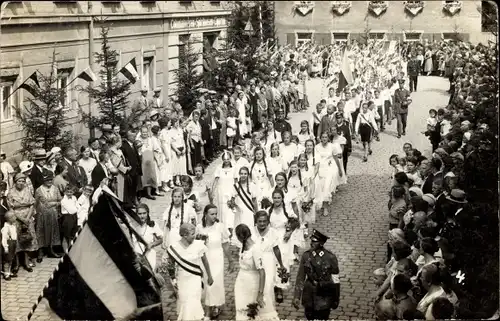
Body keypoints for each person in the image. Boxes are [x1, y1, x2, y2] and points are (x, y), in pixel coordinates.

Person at [162, 222, 213, 321]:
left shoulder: (198, 245)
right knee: (185, 302)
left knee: (194, 302)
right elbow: (170, 265)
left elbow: (205, 261)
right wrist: (173, 279)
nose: (195, 236)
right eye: (192, 234)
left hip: (195, 279)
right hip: (182, 280)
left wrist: (210, 276)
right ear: (184, 235)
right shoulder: (174, 247)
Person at [196, 204, 235, 318]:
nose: (214, 216)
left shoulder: (220, 227)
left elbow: (225, 244)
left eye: (216, 214)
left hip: (217, 257)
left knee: (215, 283)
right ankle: (209, 308)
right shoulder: (199, 227)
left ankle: (214, 306)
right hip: (204, 258)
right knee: (207, 282)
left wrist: (231, 260)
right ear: (205, 215)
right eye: (212, 214)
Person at [293, 229, 340, 320]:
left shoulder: (330, 257)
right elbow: (300, 277)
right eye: (311, 241)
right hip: (309, 294)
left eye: (314, 241)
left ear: (321, 243)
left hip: (324, 295)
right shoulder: (306, 256)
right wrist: (297, 296)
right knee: (309, 317)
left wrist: (336, 298)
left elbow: (336, 280)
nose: (311, 243)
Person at [233, 223, 266, 321]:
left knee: (251, 311)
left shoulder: (255, 250)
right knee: (240, 307)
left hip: (252, 283)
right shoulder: (242, 247)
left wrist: (260, 293)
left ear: (240, 237)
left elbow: (262, 272)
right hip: (241, 281)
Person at [7, 173, 38, 272]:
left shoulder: (27, 191)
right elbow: (11, 208)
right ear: (15, 182)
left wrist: (27, 218)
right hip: (16, 219)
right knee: (17, 242)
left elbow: (32, 205)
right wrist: (21, 218)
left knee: (27, 241)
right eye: (19, 181)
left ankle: (26, 263)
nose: (21, 183)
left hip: (28, 218)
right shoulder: (10, 193)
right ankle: (16, 264)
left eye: (23, 181)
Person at [34, 171, 62, 262]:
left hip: (53, 214)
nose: (49, 181)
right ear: (43, 180)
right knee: (41, 231)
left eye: (51, 179)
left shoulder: (55, 189)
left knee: (52, 231)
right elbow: (35, 203)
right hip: (42, 215)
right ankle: (41, 251)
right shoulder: (39, 190)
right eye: (47, 180)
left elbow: (61, 200)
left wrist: (55, 203)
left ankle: (51, 250)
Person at [133, 203, 163, 270]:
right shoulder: (133, 226)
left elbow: (161, 239)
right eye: (140, 214)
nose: (142, 216)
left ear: (148, 213)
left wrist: (152, 244)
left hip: (149, 253)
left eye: (144, 213)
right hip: (136, 254)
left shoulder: (152, 224)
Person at [60, 185, 79, 252]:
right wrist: (77, 208)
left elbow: (77, 206)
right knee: (66, 235)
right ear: (65, 192)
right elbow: (71, 210)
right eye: (67, 192)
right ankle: (66, 251)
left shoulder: (74, 198)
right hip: (67, 218)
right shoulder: (63, 200)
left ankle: (71, 250)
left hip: (74, 217)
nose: (69, 193)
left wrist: (77, 208)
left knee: (73, 234)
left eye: (71, 192)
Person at [1, 211, 18, 280]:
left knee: (11, 259)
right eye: (14, 217)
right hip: (8, 245)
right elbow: (4, 239)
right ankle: (6, 273)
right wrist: (5, 247)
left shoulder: (13, 225)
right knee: (6, 260)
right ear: (10, 219)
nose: (15, 218)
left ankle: (9, 271)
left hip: (13, 244)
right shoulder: (5, 228)